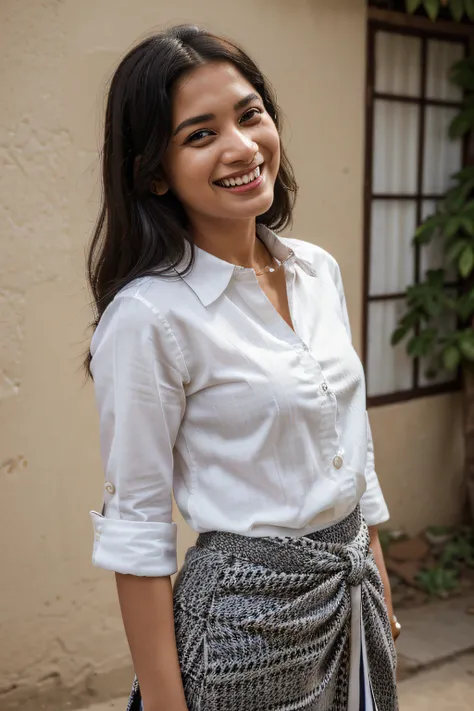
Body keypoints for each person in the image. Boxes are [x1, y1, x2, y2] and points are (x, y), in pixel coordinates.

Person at [86, 24, 399, 711]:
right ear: (155, 170)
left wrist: (378, 587)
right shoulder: (150, 317)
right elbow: (137, 530)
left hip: (352, 602)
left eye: (250, 114)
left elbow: (353, 451)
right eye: (200, 134)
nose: (241, 146)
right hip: (238, 634)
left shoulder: (317, 270)